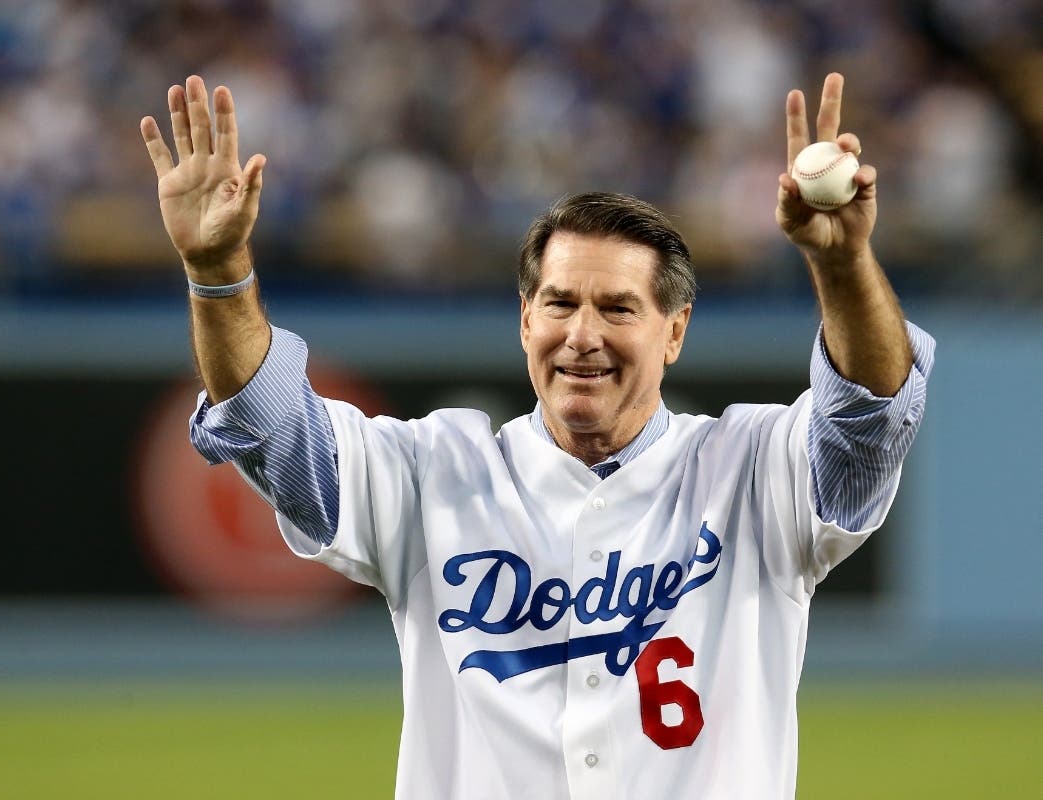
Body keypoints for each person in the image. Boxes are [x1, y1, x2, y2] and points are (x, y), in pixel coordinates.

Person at [140, 72, 933, 799]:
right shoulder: (431, 473)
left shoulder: (752, 469)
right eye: (559, 304)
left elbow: (870, 416)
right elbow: (269, 425)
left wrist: (842, 266)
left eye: (617, 308)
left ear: (674, 332)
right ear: (526, 322)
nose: (581, 335)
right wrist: (219, 271)